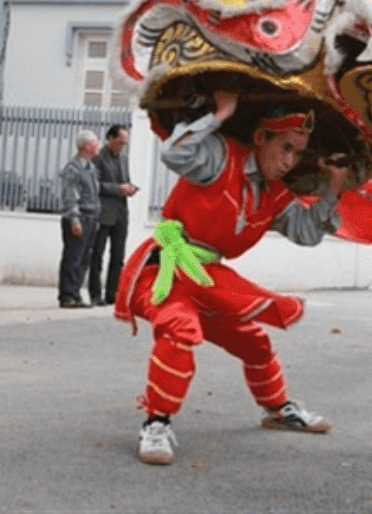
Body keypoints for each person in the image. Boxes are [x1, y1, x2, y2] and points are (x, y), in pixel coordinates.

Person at [114, 90, 352, 466]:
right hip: (167, 269)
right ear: (261, 138)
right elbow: (174, 154)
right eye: (284, 147)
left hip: (208, 279)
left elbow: (306, 232)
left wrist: (333, 191)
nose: (289, 161)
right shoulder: (221, 155)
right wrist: (220, 114)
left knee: (253, 341)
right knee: (180, 328)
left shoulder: (274, 193)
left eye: (297, 152)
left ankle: (277, 409)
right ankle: (156, 423)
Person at [89, 124, 137, 306]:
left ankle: (112, 293)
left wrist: (130, 187)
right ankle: (95, 294)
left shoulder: (123, 158)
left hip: (121, 213)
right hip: (103, 212)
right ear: (110, 138)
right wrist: (118, 188)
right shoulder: (98, 158)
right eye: (120, 142)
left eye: (125, 143)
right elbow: (95, 185)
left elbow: (125, 180)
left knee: (118, 256)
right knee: (97, 255)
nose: (122, 146)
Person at [57, 129, 100, 309]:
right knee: (73, 257)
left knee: (84, 259)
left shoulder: (91, 168)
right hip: (79, 217)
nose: (98, 146)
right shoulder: (73, 169)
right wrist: (74, 219)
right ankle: (67, 296)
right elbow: (70, 196)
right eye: (94, 143)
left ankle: (75, 294)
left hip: (91, 217)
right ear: (86, 146)